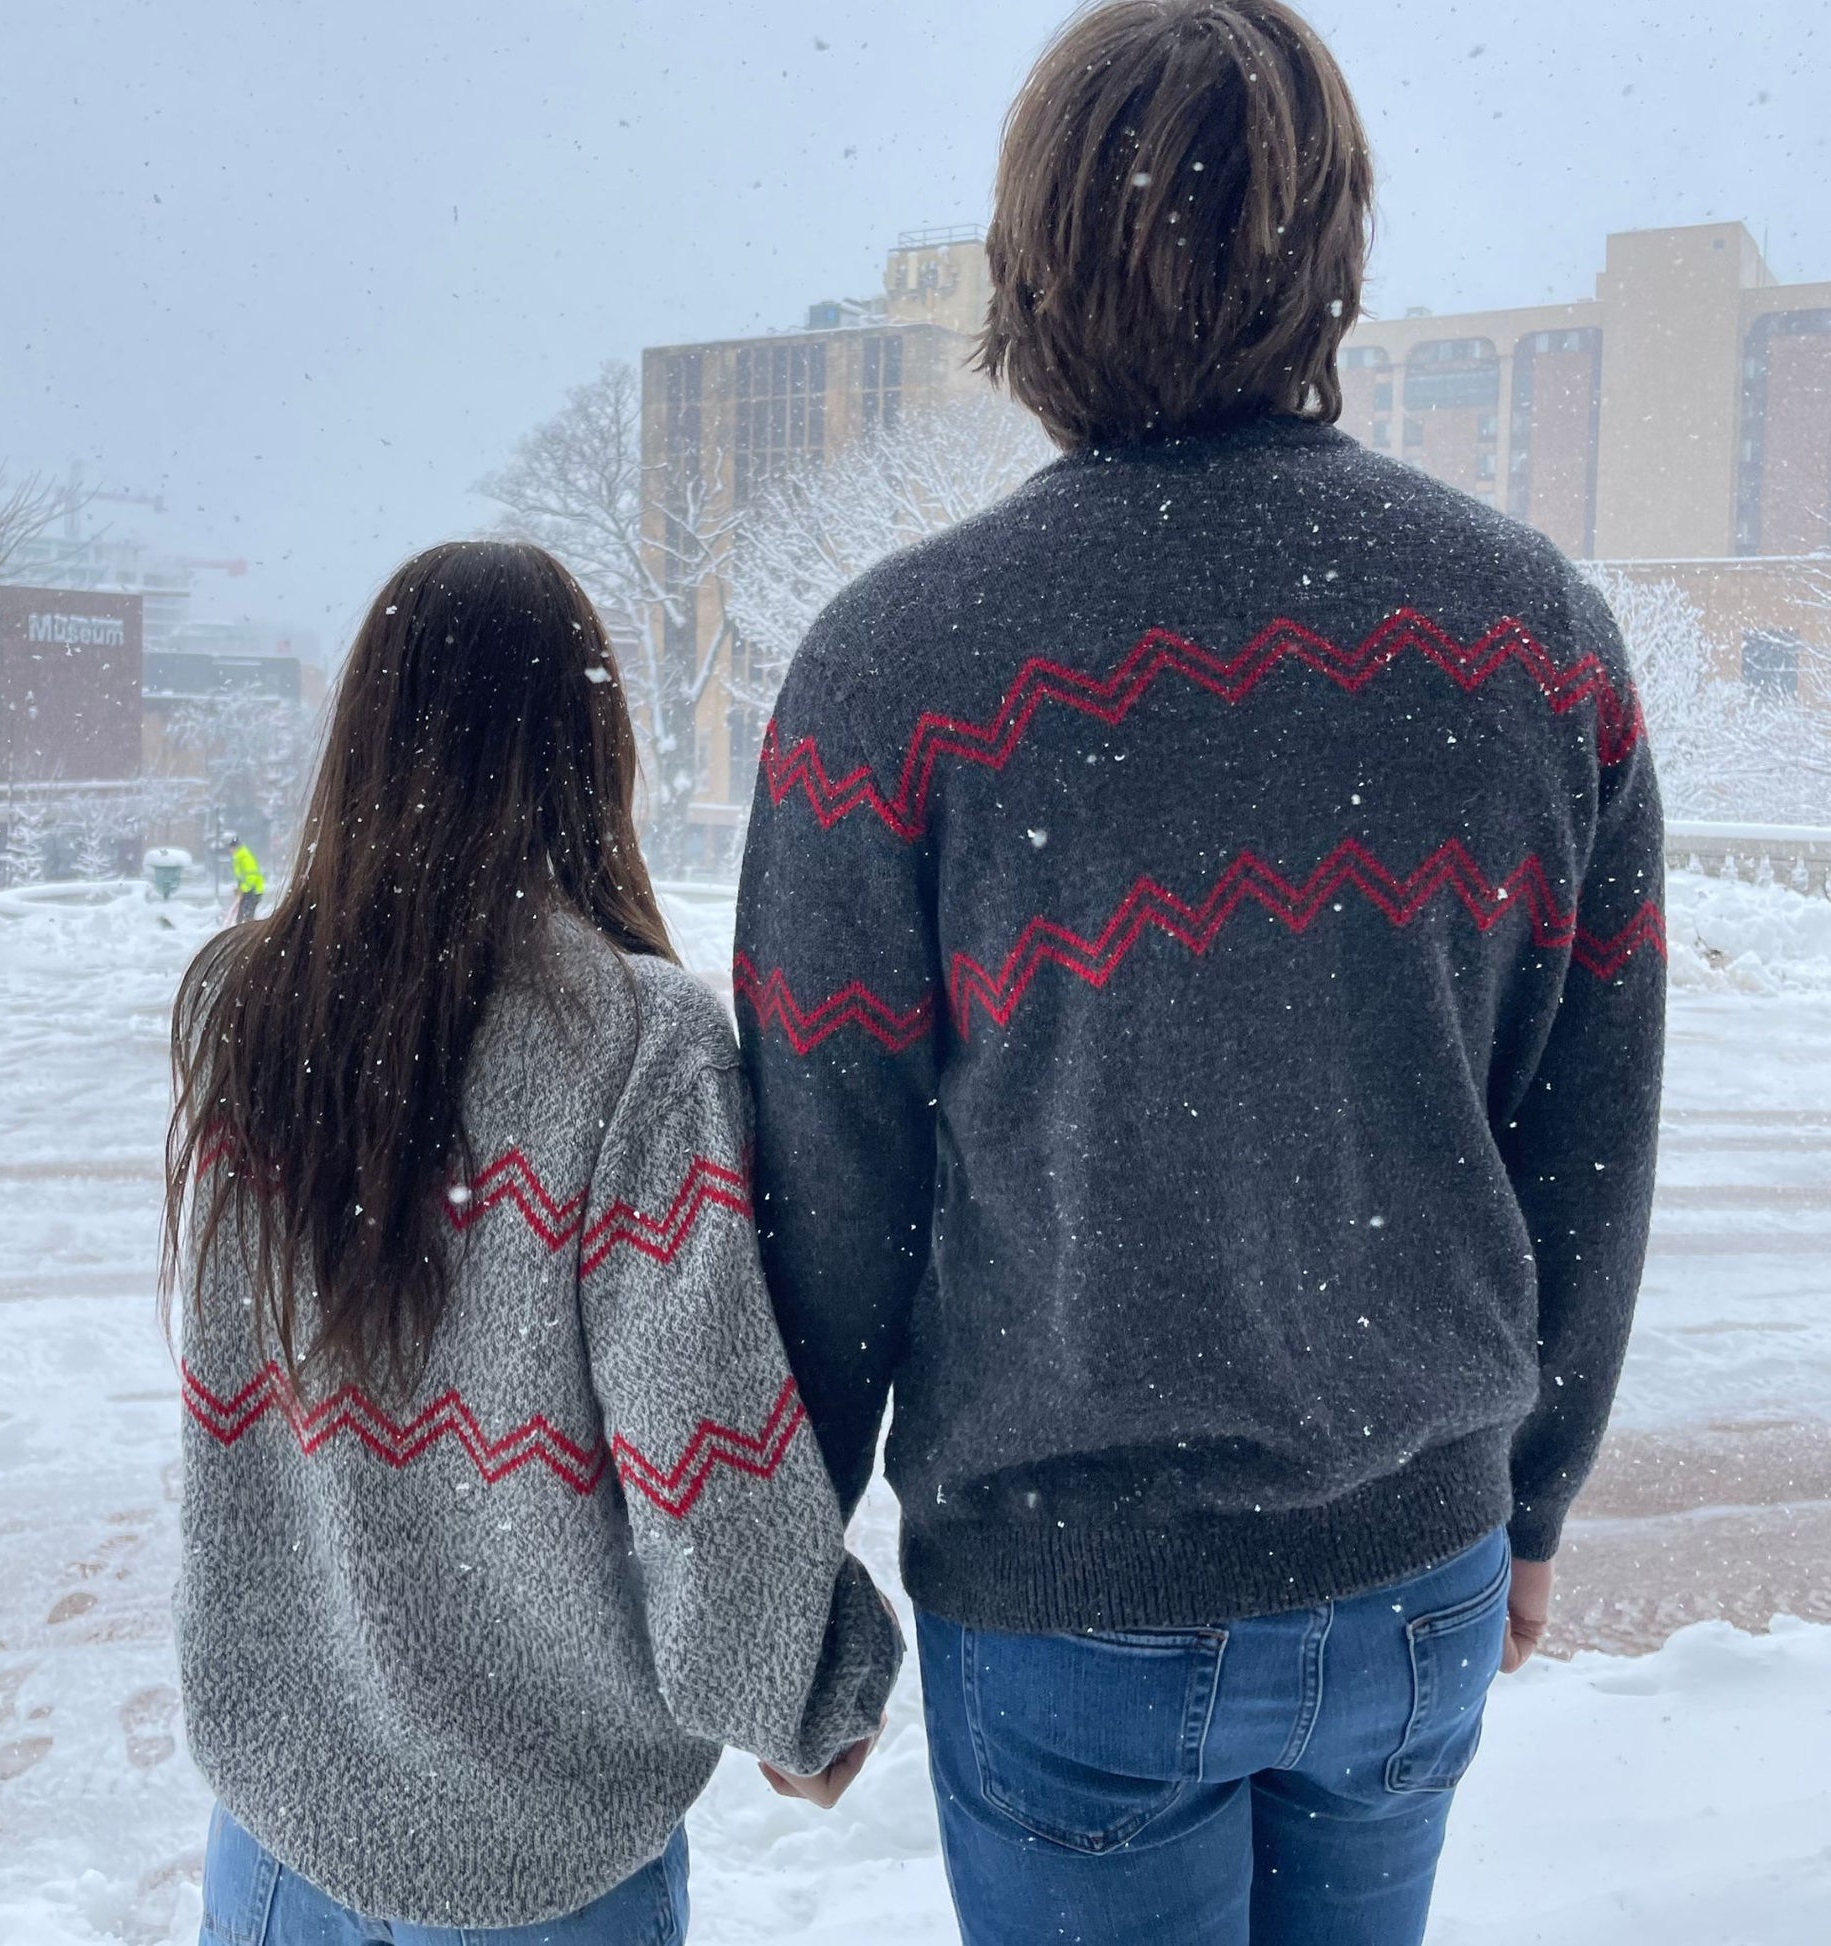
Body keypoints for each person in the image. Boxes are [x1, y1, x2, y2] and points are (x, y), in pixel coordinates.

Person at [734, 3, 1665, 1941]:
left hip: (1072, 1606)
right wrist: (1535, 1492)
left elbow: (830, 1179)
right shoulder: (1533, 643)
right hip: (1414, 1565)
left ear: (1032, 262)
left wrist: (775, 1578)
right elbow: (1589, 1124)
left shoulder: (897, 670)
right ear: (1332, 247)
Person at [163, 541, 899, 1944]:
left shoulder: (245, 1009)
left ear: (363, 740)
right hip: (542, 1852)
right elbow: (701, 1444)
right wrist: (804, 1691)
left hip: (274, 1835)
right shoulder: (637, 1040)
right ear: (587, 744)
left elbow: (246, 1405)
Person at [226, 833, 266, 922]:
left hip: (254, 891)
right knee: (241, 916)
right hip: (248, 891)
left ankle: (252, 933)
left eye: (231, 848)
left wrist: (243, 889)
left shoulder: (245, 858)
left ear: (235, 848)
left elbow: (252, 877)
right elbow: (242, 878)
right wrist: (240, 888)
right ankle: (241, 931)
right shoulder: (238, 858)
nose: (230, 850)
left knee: (246, 917)